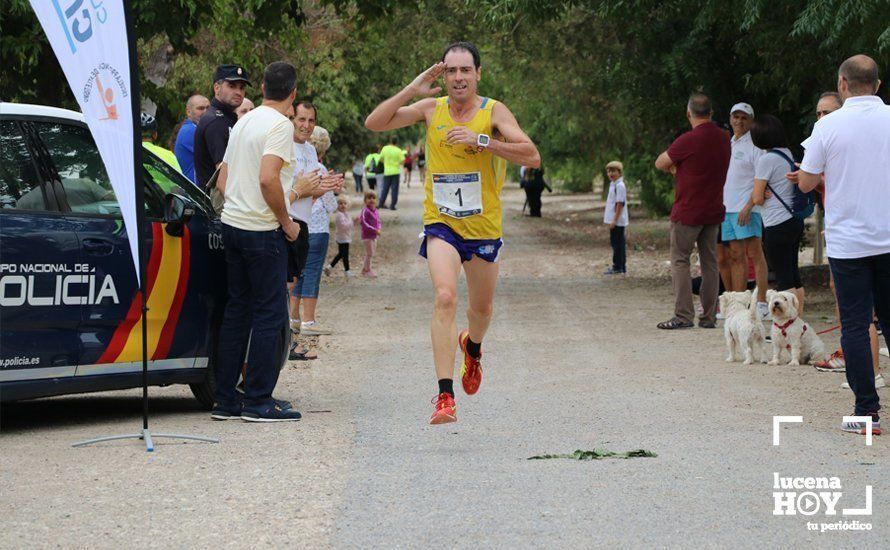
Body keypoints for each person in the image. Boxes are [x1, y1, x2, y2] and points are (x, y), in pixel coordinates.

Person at [365, 41, 540, 424]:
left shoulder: (494, 112)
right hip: (441, 224)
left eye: (465, 70)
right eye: (451, 71)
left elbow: (532, 155)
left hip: (483, 227)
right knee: (445, 297)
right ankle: (445, 397)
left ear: (478, 74)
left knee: (480, 310)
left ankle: (471, 347)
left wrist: (483, 141)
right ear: (442, 76)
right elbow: (374, 123)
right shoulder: (432, 109)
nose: (458, 77)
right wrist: (413, 88)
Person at [210, 61, 308, 423]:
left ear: (263, 87)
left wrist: (238, 203)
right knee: (269, 314)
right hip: (261, 229)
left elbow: (224, 175)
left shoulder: (243, 120)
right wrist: (286, 223)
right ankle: (258, 400)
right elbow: (269, 179)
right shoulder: (280, 126)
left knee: (237, 311)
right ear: (293, 94)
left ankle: (225, 399)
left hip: (232, 224)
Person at [798, 55, 889, 436]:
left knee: (854, 324)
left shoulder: (828, 126)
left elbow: (805, 182)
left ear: (842, 84)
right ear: (878, 85)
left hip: (849, 243)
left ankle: (866, 413)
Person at [654, 93, 730, 330]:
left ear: (688, 113)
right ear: (711, 113)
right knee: (710, 262)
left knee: (680, 260)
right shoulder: (724, 138)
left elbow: (660, 162)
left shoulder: (687, 140)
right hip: (714, 208)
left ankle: (683, 315)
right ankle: (708, 316)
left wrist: (677, 166)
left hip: (688, 210)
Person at [741, 114, 805, 309]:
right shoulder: (787, 153)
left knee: (784, 281)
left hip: (776, 223)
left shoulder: (767, 159)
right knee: (794, 276)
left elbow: (758, 197)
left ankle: (789, 326)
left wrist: (761, 194)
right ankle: (798, 324)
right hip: (793, 219)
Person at [286, 101, 338, 338]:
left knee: (296, 278)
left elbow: (312, 192)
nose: (306, 126)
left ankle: (290, 332)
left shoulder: (308, 152)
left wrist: (326, 187)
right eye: (301, 119)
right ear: (292, 119)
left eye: (311, 121)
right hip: (284, 221)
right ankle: (290, 328)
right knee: (287, 284)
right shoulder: (283, 145)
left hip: (304, 224)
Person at [721, 103, 769, 320]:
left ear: (751, 121)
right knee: (735, 256)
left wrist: (749, 206)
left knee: (755, 254)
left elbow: (761, 180)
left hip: (746, 209)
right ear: (730, 119)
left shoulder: (756, 146)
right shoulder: (729, 143)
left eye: (744, 118)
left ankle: (761, 302)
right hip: (726, 208)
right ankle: (738, 305)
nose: (739, 121)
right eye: (736, 117)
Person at [194, 64, 249, 188]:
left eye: (242, 88)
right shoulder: (216, 122)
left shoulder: (226, 118)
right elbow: (223, 176)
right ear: (217, 88)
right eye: (232, 86)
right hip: (219, 204)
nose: (238, 92)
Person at [173, 94, 210, 182]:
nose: (206, 112)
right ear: (188, 112)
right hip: (196, 191)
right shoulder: (190, 130)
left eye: (208, 108)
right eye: (200, 108)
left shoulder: (194, 129)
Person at [603, 160, 628, 275]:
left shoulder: (620, 185)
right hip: (615, 220)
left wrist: (614, 219)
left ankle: (617, 266)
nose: (610, 174)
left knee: (617, 244)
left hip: (617, 221)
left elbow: (620, 204)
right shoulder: (613, 185)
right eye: (608, 171)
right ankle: (621, 266)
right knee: (617, 243)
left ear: (619, 172)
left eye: (613, 171)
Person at [325, 195, 354, 276]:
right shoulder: (339, 215)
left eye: (345, 203)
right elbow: (344, 226)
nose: (343, 205)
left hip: (346, 237)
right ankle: (346, 270)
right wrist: (352, 222)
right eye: (340, 203)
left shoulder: (346, 214)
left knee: (342, 254)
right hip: (342, 238)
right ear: (337, 205)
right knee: (344, 254)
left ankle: (331, 267)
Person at [358, 190, 381, 277]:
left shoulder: (375, 210)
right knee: (369, 253)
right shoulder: (365, 211)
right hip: (367, 236)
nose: (371, 200)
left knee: (371, 253)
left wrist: (378, 229)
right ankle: (367, 270)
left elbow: (378, 221)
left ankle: (365, 269)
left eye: (373, 198)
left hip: (374, 236)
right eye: (369, 198)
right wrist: (374, 230)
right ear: (365, 200)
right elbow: (363, 222)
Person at [378, 137, 406, 209]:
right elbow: (403, 161)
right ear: (397, 142)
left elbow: (381, 159)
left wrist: (386, 163)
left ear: (390, 141)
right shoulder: (399, 150)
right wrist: (397, 164)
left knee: (385, 188)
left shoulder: (385, 148)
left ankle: (381, 203)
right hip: (396, 172)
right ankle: (392, 205)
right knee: (394, 189)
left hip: (387, 172)